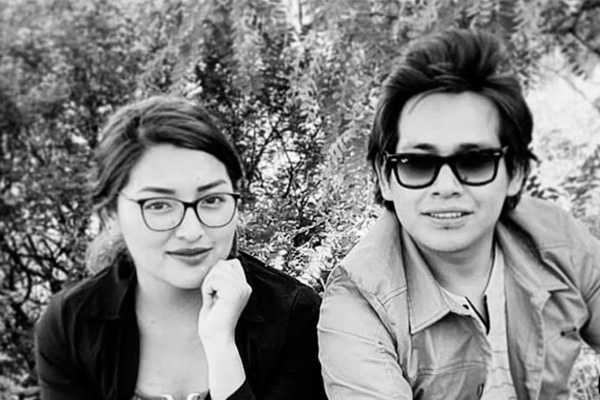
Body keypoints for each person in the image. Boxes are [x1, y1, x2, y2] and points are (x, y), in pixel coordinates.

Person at [318, 28, 600, 399]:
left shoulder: (558, 240)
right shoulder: (358, 306)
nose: (446, 186)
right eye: (418, 163)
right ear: (386, 180)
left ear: (515, 173)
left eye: (474, 161)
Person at [35, 96, 327, 400]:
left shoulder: (294, 317)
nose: (191, 231)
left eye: (212, 200)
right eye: (159, 205)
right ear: (111, 214)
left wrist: (221, 347)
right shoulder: (72, 324)